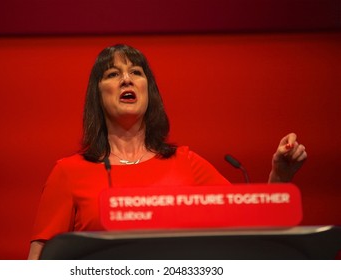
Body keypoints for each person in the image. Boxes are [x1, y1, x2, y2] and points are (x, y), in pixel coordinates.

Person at [27, 44, 307, 259]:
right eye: (113, 74)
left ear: (148, 90)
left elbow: (252, 227)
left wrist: (279, 176)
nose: (127, 80)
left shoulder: (186, 162)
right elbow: (40, 260)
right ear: (97, 95)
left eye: (136, 73)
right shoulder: (69, 172)